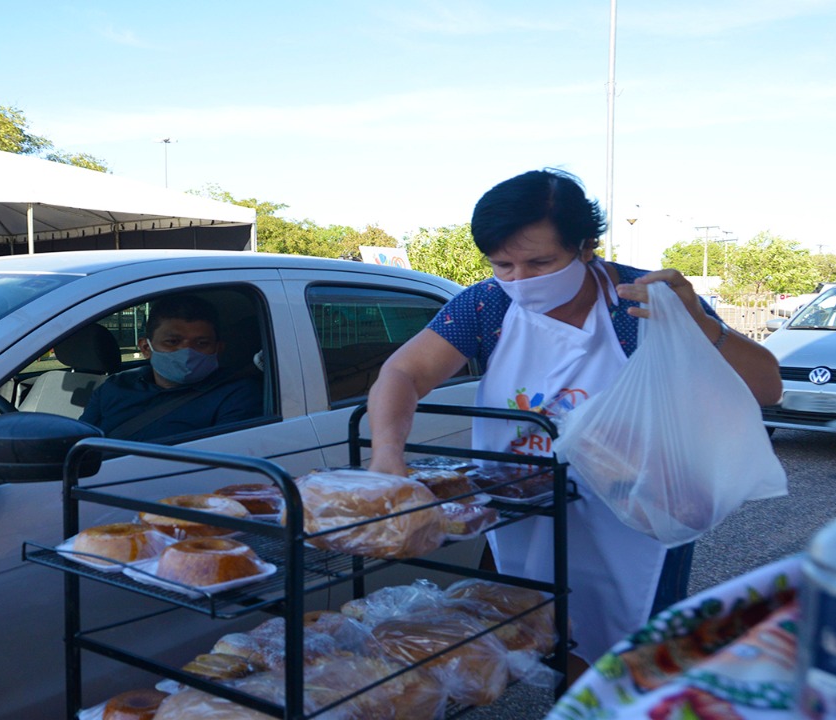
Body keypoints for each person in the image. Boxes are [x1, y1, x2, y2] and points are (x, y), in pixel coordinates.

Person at [365, 168, 782, 668]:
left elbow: (765, 388)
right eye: (503, 264)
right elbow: (403, 373)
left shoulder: (644, 302)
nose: (520, 280)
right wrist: (387, 453)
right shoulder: (488, 305)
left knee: (631, 657)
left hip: (639, 511)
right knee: (540, 635)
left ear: (587, 246)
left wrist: (695, 321)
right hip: (525, 507)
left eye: (540, 262)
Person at [80, 294, 263, 441]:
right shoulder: (115, 386)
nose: (187, 351)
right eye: (172, 342)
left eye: (201, 343)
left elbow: (221, 459)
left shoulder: (238, 394)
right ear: (146, 348)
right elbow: (77, 441)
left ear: (218, 348)